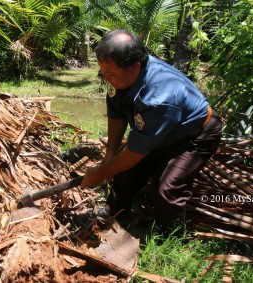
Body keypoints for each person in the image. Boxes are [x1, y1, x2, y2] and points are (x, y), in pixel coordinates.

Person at [80, 29, 222, 228]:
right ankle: (116, 211)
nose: (105, 78)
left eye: (110, 74)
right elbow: (117, 113)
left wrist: (100, 173)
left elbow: (135, 153)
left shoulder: (159, 98)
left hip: (195, 134)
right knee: (125, 170)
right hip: (163, 129)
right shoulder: (120, 78)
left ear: (134, 67)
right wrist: (110, 156)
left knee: (166, 188)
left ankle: (170, 235)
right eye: (103, 72)